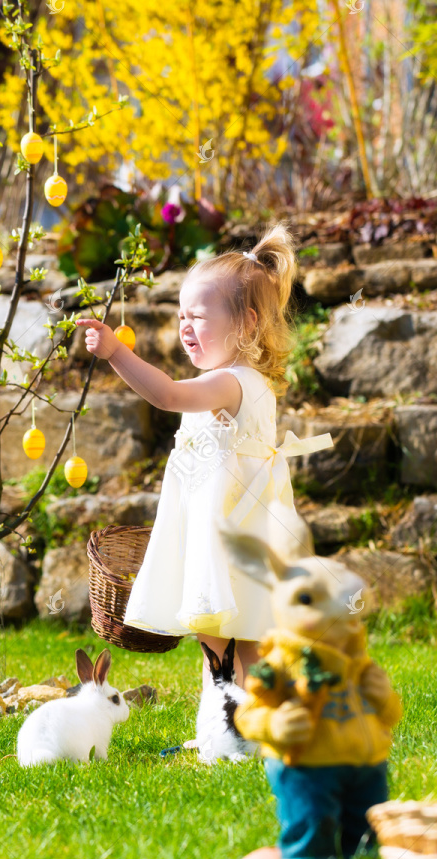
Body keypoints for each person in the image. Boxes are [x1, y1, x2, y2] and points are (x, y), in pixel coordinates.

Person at [76, 221, 332, 748]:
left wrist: (116, 353)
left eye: (198, 316)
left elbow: (166, 395)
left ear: (246, 324)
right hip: (241, 530)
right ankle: (242, 726)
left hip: (226, 535)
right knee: (243, 629)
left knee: (219, 629)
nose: (185, 327)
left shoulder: (229, 382)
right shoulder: (243, 382)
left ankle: (233, 730)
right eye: (180, 315)